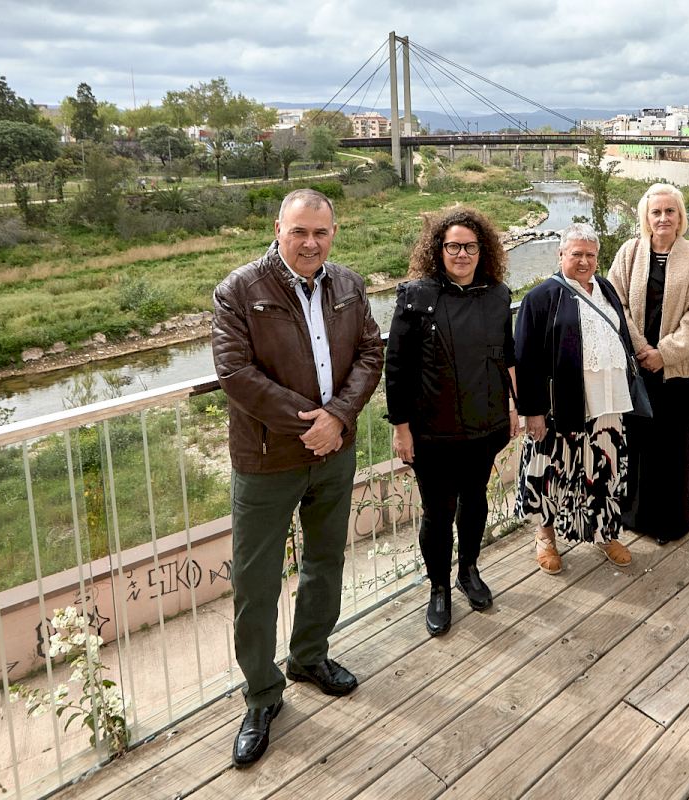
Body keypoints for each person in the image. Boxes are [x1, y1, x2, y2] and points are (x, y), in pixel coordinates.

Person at [212, 188, 383, 766]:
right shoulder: (239, 290)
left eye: (321, 232)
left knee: (325, 560)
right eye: (299, 231)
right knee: (256, 583)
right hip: (266, 460)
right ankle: (262, 695)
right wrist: (311, 423)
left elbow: (371, 353)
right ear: (278, 229)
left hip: (334, 452)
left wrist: (339, 418)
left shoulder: (348, 284)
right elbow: (235, 372)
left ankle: (309, 657)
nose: (311, 243)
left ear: (333, 233)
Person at [386, 206, 519, 638]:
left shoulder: (498, 296)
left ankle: (469, 571)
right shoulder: (416, 297)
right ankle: (439, 588)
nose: (462, 254)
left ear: (484, 250)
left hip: (484, 425)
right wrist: (401, 428)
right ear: (438, 249)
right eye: (453, 246)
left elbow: (507, 356)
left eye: (470, 247)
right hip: (432, 431)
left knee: (475, 502)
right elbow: (396, 367)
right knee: (438, 513)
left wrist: (514, 407)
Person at [515, 223, 635, 573]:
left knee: (605, 470)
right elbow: (525, 360)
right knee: (552, 471)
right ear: (561, 255)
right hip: (561, 406)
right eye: (576, 254)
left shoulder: (606, 289)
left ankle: (605, 533)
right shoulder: (541, 297)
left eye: (590, 255)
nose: (584, 261)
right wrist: (533, 412)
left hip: (609, 403)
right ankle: (545, 536)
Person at [608, 183, 689, 542]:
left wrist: (664, 354)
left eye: (670, 211)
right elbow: (615, 303)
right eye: (656, 212)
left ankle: (668, 523)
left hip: (675, 372)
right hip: (636, 369)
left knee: (672, 449)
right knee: (636, 445)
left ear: (680, 217)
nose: (663, 218)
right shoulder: (629, 252)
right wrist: (642, 349)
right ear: (646, 217)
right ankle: (634, 517)